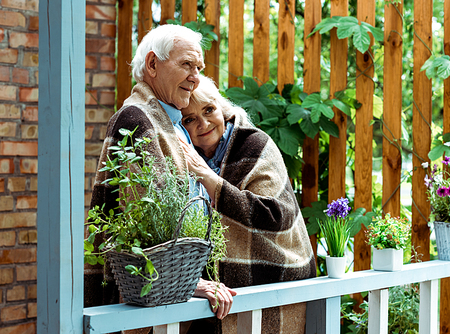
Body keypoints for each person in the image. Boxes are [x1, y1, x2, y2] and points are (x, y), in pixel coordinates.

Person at [85, 25, 236, 330]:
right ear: (152, 65)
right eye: (186, 65)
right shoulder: (137, 119)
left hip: (167, 297)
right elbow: (146, 223)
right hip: (143, 302)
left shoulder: (171, 120)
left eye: (199, 68)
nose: (195, 77)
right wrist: (194, 282)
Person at [179, 75, 316, 334]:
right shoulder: (185, 155)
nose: (204, 123)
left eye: (209, 110)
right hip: (213, 289)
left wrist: (211, 181)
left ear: (222, 108)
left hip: (272, 276)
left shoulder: (255, 144)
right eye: (190, 118)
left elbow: (277, 215)